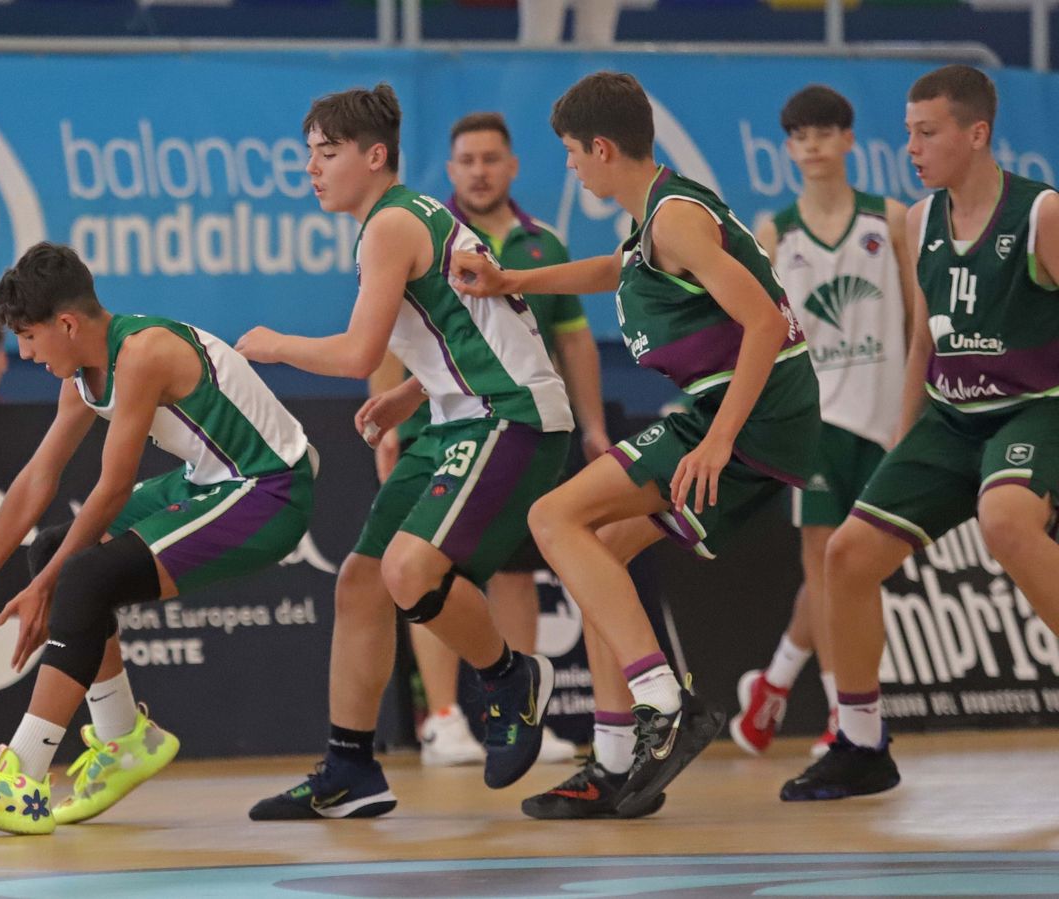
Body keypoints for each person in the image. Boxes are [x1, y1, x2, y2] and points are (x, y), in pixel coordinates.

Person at [452, 70, 821, 819]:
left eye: (570, 152)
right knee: (599, 557)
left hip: (749, 415)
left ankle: (663, 701)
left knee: (553, 517)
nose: (568, 166)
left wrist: (718, 440)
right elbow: (609, 271)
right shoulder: (655, 218)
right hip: (739, 411)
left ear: (601, 147)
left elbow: (766, 323)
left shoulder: (674, 219)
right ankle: (615, 763)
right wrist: (509, 279)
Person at [0, 242, 316, 836]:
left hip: (268, 489)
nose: (25, 353)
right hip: (210, 479)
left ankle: (22, 776)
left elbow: (114, 487)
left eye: (29, 337)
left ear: (67, 325)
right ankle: (124, 737)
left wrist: (46, 587)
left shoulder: (142, 353)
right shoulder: (80, 375)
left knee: (81, 574)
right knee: (53, 549)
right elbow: (36, 479)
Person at [237, 83, 570, 820]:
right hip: (458, 411)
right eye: (309, 154)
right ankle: (350, 768)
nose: (311, 169)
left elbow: (360, 353)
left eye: (326, 153)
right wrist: (415, 391)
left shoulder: (391, 223)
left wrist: (275, 345)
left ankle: (509, 677)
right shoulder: (408, 216)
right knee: (361, 580)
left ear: (374, 155)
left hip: (507, 415)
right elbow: (473, 327)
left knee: (409, 570)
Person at [781, 65, 1059, 801]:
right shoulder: (918, 221)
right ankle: (861, 742)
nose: (910, 147)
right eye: (908, 132)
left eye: (927, 133)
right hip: (948, 417)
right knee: (846, 555)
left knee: (1006, 521)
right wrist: (905, 441)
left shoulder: (1042, 214)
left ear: (977, 134)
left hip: (1033, 408)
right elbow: (923, 342)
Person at [378, 111, 606, 768]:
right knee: (424, 566)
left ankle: (521, 710)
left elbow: (574, 341)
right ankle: (443, 718)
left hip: (516, 425)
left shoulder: (544, 244)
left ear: (512, 167)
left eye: (490, 159)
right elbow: (385, 331)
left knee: (514, 567)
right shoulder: (422, 231)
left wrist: (593, 425)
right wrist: (387, 419)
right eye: (467, 160)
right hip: (436, 427)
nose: (479, 171)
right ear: (451, 170)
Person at [731, 85, 923, 760]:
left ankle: (776, 681)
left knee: (858, 573)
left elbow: (918, 323)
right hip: (814, 422)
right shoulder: (773, 232)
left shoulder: (890, 219)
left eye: (823, 133)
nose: (811, 146)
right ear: (788, 148)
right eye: (799, 136)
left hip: (884, 421)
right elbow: (763, 335)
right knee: (824, 565)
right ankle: (846, 713)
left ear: (848, 140)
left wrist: (914, 412)